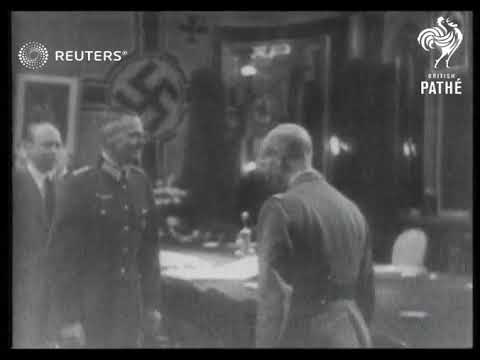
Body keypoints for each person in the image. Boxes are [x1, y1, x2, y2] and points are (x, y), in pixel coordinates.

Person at [48, 108, 162, 348]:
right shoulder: (80, 185)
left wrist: (152, 304)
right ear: (110, 139)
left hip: (129, 310)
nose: (140, 141)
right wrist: (68, 318)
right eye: (132, 135)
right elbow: (62, 259)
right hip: (90, 309)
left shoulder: (141, 183)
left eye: (141, 135)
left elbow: (149, 252)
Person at [255, 123, 375, 348]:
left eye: (265, 162)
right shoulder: (352, 209)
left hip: (306, 336)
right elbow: (367, 293)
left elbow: (272, 300)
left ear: (279, 159)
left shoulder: (279, 208)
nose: (265, 172)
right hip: (354, 334)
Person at [12, 122, 63, 347]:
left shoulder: (58, 188)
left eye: (57, 145)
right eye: (46, 145)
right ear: (25, 147)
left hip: (48, 298)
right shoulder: (17, 183)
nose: (53, 151)